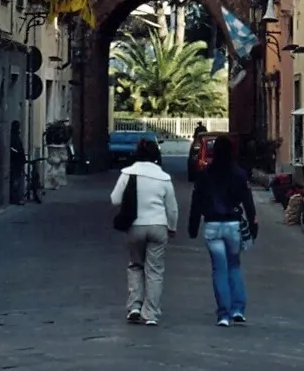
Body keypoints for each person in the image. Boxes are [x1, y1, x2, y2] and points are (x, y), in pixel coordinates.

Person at [188, 133, 258, 326]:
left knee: (219, 269)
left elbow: (196, 202)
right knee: (234, 266)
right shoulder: (239, 174)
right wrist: (253, 226)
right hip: (233, 225)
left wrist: (193, 227)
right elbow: (248, 203)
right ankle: (238, 309)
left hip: (212, 224)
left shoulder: (205, 174)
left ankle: (223, 314)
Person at [110, 137, 178, 326]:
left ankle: (134, 306)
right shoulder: (164, 177)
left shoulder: (127, 173)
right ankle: (151, 313)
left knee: (135, 265)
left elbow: (115, 199)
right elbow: (172, 208)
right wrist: (172, 227)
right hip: (158, 226)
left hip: (135, 226)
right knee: (155, 270)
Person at [8, 120, 26, 205]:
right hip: (16, 161)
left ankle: (17, 197)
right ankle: (16, 198)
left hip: (18, 161)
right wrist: (18, 153)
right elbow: (13, 148)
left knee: (18, 180)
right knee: (17, 180)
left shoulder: (15, 136)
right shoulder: (14, 137)